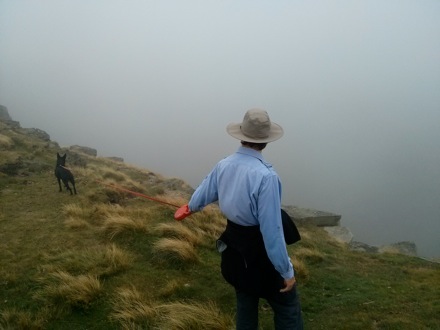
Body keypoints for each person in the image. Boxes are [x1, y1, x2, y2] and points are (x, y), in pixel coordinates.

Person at [174, 108, 303, 330]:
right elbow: (271, 232)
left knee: (245, 302)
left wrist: (189, 208)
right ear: (266, 141)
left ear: (242, 135)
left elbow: (203, 193)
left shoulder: (224, 164)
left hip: (234, 249)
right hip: (259, 253)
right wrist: (286, 272)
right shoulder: (266, 177)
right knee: (287, 306)